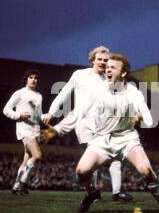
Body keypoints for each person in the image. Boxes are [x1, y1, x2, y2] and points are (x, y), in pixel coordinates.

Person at [41, 53, 159, 213]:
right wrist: (56, 130)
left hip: (127, 138)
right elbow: (77, 113)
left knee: (146, 171)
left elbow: (149, 120)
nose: (108, 70)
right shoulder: (96, 91)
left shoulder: (134, 92)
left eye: (113, 67)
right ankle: (91, 193)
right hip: (102, 139)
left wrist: (139, 117)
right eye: (107, 67)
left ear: (123, 73)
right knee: (81, 172)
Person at [43, 46, 133, 202]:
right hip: (83, 121)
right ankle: (92, 191)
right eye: (99, 59)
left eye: (106, 60)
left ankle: (117, 192)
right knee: (93, 157)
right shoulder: (79, 75)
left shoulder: (109, 79)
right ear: (92, 59)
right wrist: (52, 112)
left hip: (103, 123)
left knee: (116, 156)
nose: (103, 63)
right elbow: (64, 93)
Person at [3, 69, 43, 195]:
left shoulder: (38, 95)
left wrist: (46, 117)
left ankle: (16, 186)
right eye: (31, 77)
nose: (33, 80)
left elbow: (38, 115)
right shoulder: (19, 93)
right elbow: (6, 109)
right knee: (37, 155)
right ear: (26, 79)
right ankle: (23, 182)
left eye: (35, 78)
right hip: (24, 129)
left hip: (35, 130)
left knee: (26, 160)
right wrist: (18, 115)